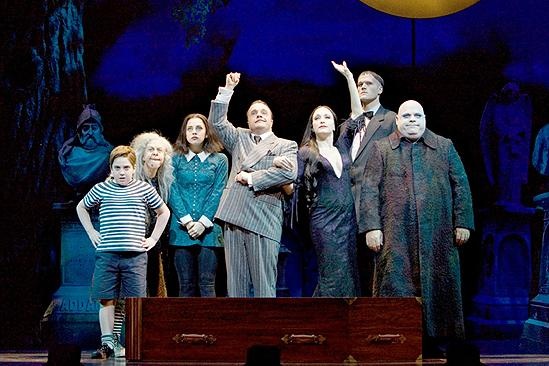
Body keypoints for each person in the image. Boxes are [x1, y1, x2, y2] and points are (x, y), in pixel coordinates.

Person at [360, 100, 474, 355]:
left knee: (439, 284)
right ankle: (392, 339)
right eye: (406, 116)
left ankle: (436, 340)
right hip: (394, 233)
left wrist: (463, 221)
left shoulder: (444, 146)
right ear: (397, 121)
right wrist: (371, 227)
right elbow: (368, 190)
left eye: (417, 115)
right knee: (395, 283)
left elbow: (461, 185)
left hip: (438, 233)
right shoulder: (381, 149)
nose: (412, 120)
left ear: (425, 118)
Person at [208, 72, 298, 297]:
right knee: (235, 285)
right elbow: (216, 122)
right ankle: (237, 330)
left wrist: (252, 178)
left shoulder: (286, 144)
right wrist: (227, 90)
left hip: (264, 217)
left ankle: (266, 331)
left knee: (264, 285)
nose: (258, 115)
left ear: (271, 120)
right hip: (235, 213)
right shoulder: (239, 137)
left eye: (263, 112)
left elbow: (289, 172)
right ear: (247, 120)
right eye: (253, 113)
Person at [76, 145, 170, 359]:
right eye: (117, 168)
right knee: (106, 298)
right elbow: (81, 207)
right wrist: (91, 231)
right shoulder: (101, 189)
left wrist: (153, 238)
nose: (122, 172)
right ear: (111, 168)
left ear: (134, 168)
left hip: (135, 256)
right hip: (107, 253)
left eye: (126, 167)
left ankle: (134, 344)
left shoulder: (144, 189)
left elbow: (163, 212)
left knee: (133, 301)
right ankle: (108, 343)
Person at [332, 61, 396, 296]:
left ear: (380, 89)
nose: (363, 87)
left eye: (368, 83)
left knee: (375, 260)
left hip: (375, 200)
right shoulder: (350, 122)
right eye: (359, 84)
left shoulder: (390, 119)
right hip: (347, 200)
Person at [295, 105, 359, 297]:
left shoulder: (343, 146)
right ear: (312, 127)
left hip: (348, 220)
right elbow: (294, 183)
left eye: (327, 117)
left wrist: (348, 76)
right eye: (317, 118)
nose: (322, 120)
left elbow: (357, 116)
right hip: (324, 220)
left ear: (334, 124)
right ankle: (324, 320)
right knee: (331, 272)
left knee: (349, 270)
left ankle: (346, 320)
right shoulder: (305, 152)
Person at [169, 113, 228, 297]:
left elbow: (218, 192)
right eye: (190, 128)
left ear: (207, 133)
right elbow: (172, 191)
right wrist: (187, 221)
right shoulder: (174, 159)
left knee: (207, 283)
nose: (194, 132)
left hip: (209, 231)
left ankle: (208, 326)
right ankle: (185, 326)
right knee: (185, 285)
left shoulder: (220, 160)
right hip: (181, 229)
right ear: (184, 133)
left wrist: (202, 222)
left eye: (199, 128)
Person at [58, 104, 113, 192]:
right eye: (85, 128)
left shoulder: (108, 154)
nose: (90, 132)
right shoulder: (68, 155)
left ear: (100, 131)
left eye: (94, 128)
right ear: (80, 132)